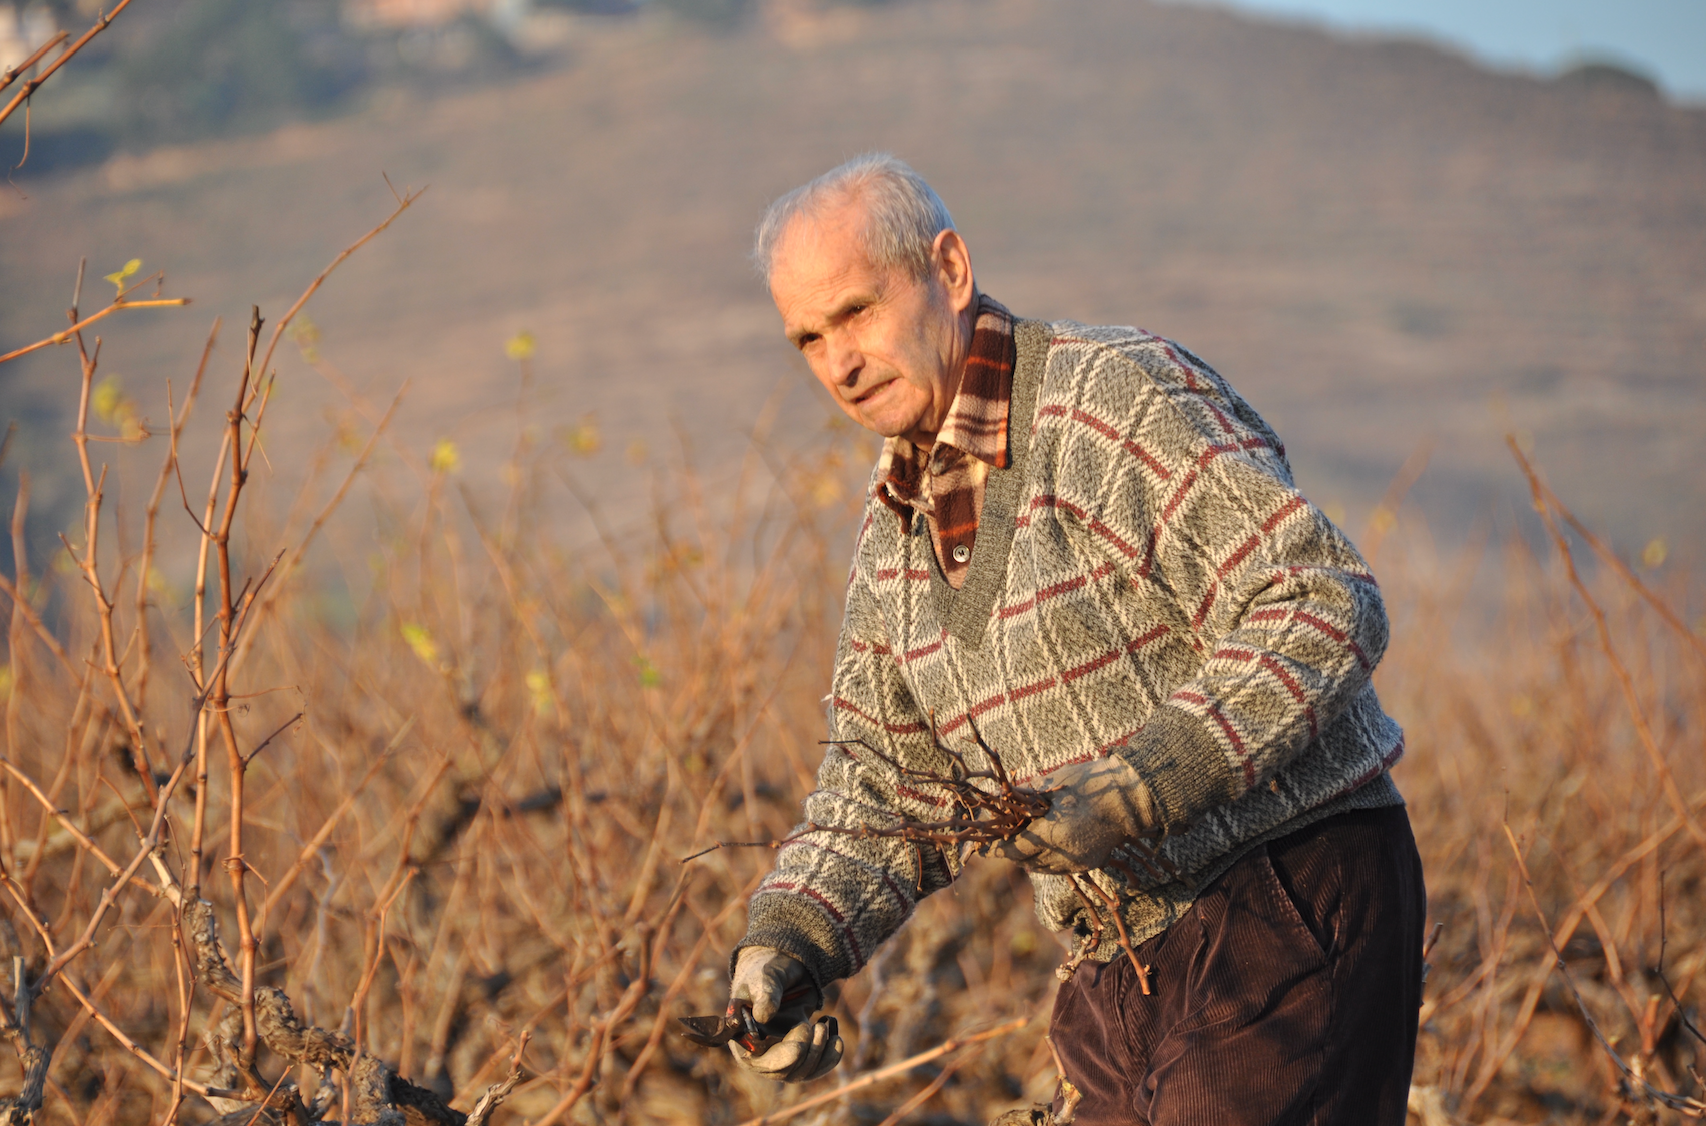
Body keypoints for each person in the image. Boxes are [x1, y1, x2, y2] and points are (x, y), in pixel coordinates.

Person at [720, 153, 1426, 1126]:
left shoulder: (1106, 401)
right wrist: (789, 938)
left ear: (950, 271)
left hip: (1280, 896)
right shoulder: (893, 535)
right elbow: (884, 787)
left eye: (854, 311)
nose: (836, 360)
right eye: (806, 336)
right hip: (1111, 966)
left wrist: (1153, 774)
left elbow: (1316, 596)